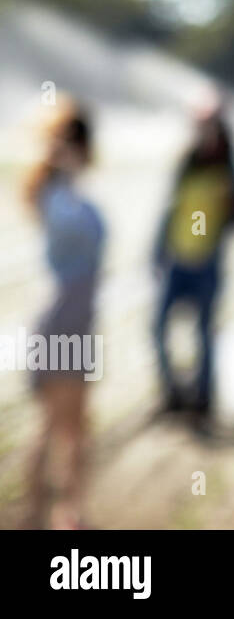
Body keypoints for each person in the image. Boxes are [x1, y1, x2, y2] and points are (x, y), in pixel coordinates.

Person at [22, 101, 105, 530]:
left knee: (76, 427)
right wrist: (59, 160)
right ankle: (38, 513)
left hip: (81, 320)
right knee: (56, 426)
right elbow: (62, 222)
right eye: (69, 141)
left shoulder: (68, 195)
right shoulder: (55, 197)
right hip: (62, 319)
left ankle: (66, 514)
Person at [152, 99, 234, 426]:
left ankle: (202, 399)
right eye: (199, 125)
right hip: (177, 259)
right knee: (158, 328)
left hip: (207, 263)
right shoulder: (186, 163)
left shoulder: (229, 170)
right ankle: (173, 394)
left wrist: (226, 208)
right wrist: (157, 251)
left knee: (203, 334)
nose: (202, 132)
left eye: (208, 126)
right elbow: (169, 209)